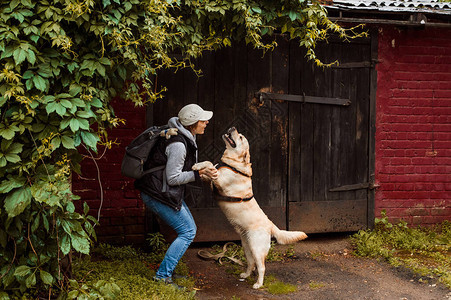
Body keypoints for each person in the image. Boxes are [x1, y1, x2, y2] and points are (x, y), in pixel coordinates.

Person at [135, 103, 218, 286]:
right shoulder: (178, 144)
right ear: (192, 123)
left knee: (189, 230)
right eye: (202, 120)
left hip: (163, 192)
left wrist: (201, 171)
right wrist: (199, 174)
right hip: (158, 193)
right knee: (187, 231)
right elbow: (173, 178)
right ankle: (162, 276)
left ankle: (166, 272)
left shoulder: (184, 135)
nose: (206, 122)